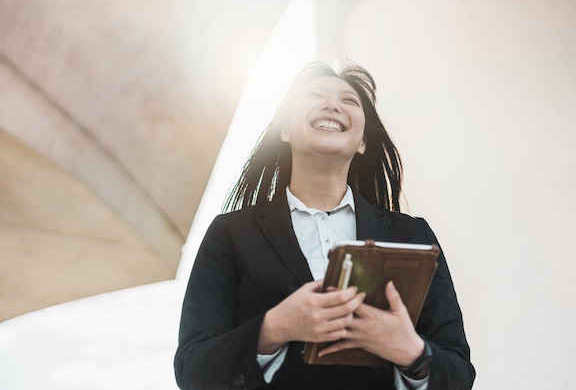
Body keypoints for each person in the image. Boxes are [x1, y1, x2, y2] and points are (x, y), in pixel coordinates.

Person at [174, 60, 475, 390]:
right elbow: (193, 370)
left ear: (362, 142)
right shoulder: (231, 234)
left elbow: (459, 374)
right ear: (286, 131)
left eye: (349, 100)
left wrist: (412, 353)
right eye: (314, 95)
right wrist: (274, 328)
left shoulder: (411, 236)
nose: (332, 104)